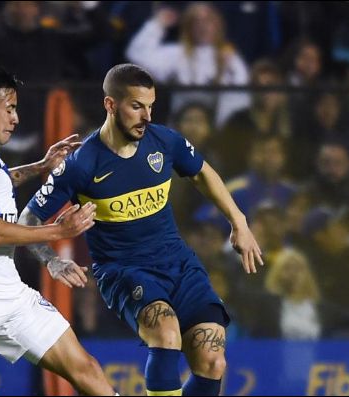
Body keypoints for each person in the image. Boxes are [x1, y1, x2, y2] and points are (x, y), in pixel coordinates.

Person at [20, 63, 263, 396]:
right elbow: (27, 220)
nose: (146, 116)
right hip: (124, 270)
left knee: (213, 362)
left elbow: (202, 172)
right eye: (136, 106)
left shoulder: (164, 141)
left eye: (151, 106)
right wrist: (53, 260)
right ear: (110, 105)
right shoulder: (81, 165)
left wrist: (239, 222)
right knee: (166, 333)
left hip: (178, 263)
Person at [0, 61, 116, 396]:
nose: (15, 118)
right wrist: (59, 232)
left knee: (84, 368)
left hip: (9, 290)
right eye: (10, 108)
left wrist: (40, 166)